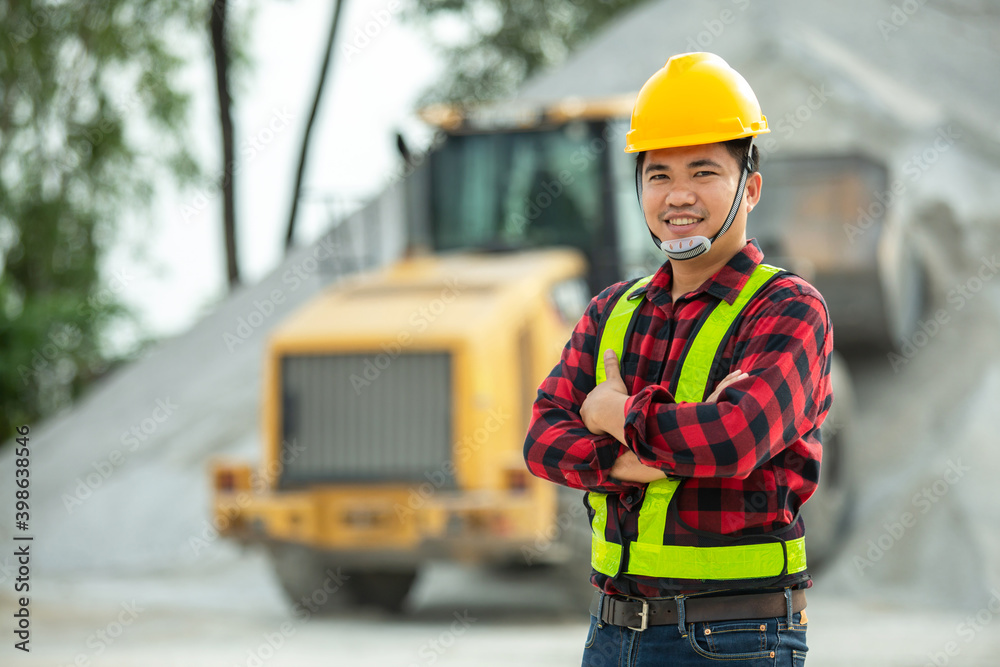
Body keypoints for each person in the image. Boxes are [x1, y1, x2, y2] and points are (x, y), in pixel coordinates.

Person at [523, 51, 833, 666]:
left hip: (734, 638)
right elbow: (540, 439)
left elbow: (732, 439)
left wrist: (611, 410)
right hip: (610, 633)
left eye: (703, 171)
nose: (679, 195)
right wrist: (631, 460)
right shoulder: (614, 309)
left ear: (751, 187)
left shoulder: (787, 309)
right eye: (659, 174)